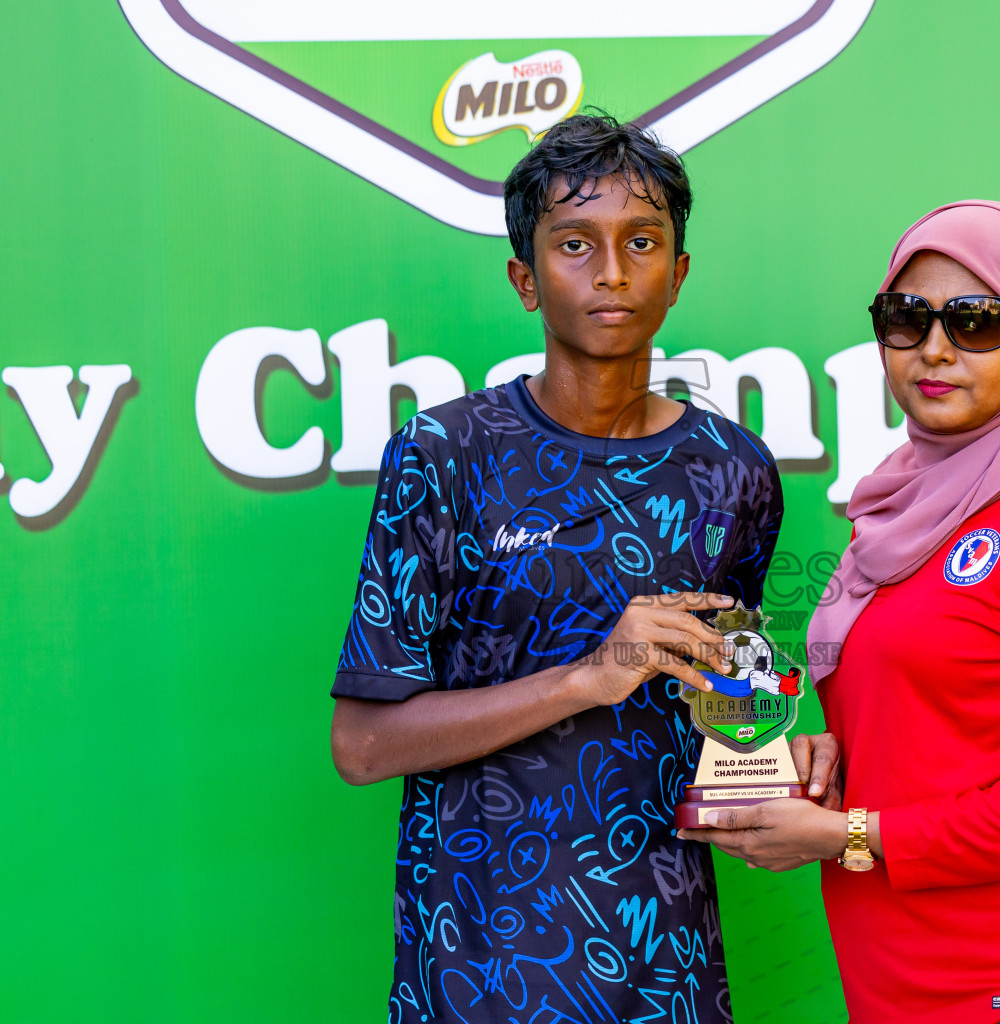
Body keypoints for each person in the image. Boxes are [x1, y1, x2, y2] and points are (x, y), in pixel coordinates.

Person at [329, 112, 784, 1024]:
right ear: (525, 279)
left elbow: (733, 718)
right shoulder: (446, 453)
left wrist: (778, 764)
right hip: (477, 970)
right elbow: (363, 745)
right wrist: (590, 676)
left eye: (641, 242)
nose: (611, 272)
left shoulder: (736, 472)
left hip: (668, 971)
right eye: (575, 243)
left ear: (677, 273)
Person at [685, 201, 1000, 1024]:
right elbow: (934, 724)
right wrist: (831, 764)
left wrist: (847, 835)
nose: (936, 348)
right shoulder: (899, 501)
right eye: (907, 318)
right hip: (903, 992)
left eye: (978, 321)